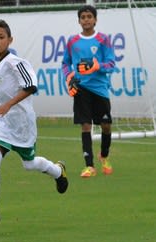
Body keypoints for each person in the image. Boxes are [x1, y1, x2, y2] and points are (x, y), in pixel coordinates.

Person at [0, 19, 68, 229]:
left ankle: (57, 171)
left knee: (29, 164)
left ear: (10, 40)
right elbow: (1, 92)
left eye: (1, 37)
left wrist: (8, 105)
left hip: (20, 121)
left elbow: (30, 86)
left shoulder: (16, 63)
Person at [62, 5, 116, 178]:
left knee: (106, 126)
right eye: (83, 17)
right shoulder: (72, 41)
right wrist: (69, 76)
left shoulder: (103, 40)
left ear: (95, 20)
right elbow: (65, 63)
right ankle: (89, 166)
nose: (86, 20)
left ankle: (104, 156)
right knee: (86, 125)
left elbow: (111, 64)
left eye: (89, 17)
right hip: (81, 88)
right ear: (79, 21)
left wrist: (97, 66)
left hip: (100, 89)